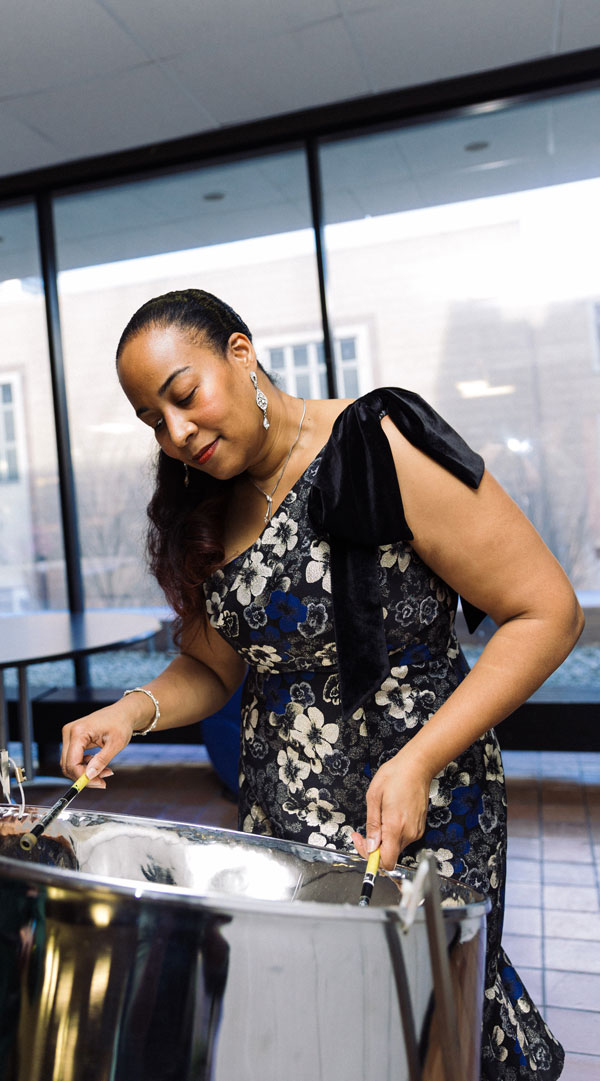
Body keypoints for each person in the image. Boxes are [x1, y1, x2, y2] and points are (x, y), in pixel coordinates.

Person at [61, 288, 583, 1081]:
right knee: (315, 1039)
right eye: (151, 421)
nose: (176, 433)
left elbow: (546, 611)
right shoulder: (207, 504)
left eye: (183, 395)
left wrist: (416, 761)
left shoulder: (379, 443)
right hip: (281, 818)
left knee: (421, 1028)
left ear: (241, 353)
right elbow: (216, 666)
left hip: (418, 800)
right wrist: (131, 710)